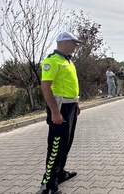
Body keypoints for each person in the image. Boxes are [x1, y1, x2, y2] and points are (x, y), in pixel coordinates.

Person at [39, 31, 82, 194]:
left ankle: (60, 173)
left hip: (70, 106)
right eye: (74, 42)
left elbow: (70, 84)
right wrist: (54, 112)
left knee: (66, 143)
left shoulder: (68, 61)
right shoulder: (52, 61)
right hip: (59, 108)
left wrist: (76, 103)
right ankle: (48, 183)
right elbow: (45, 86)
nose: (76, 45)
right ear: (64, 42)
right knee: (56, 145)